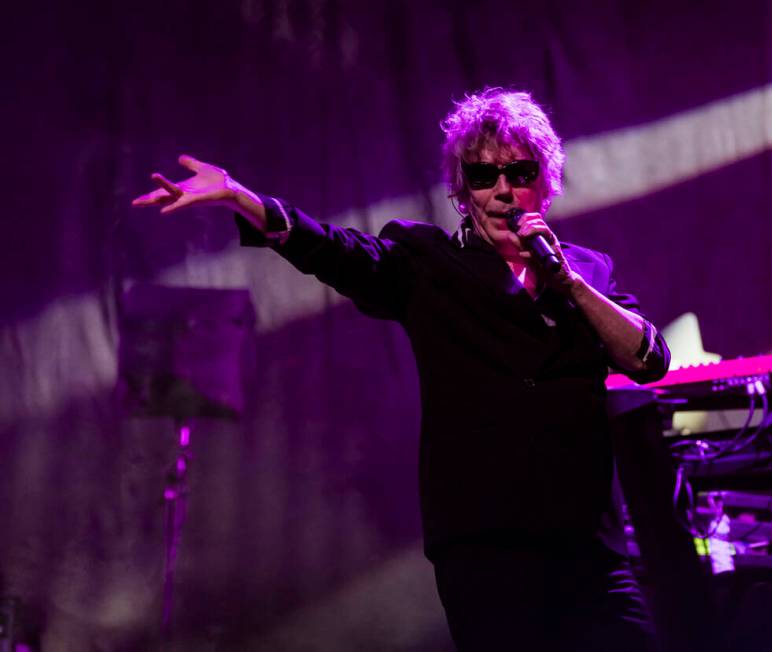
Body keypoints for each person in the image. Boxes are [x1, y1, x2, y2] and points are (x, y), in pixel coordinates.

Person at [133, 88, 670, 651]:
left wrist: (568, 284)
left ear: (546, 177)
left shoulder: (587, 270)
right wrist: (245, 200)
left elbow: (649, 360)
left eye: (518, 170)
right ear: (463, 192)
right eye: (484, 177)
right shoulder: (427, 262)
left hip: (587, 546)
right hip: (485, 545)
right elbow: (334, 250)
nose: (503, 190)